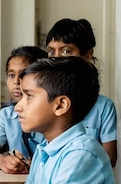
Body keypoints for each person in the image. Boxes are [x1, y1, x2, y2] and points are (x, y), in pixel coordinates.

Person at [45, 18, 117, 166]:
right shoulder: (44, 102)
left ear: (88, 55)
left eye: (66, 51)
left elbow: (109, 158)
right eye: (51, 52)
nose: (57, 58)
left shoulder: (103, 107)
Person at [0, 46, 48, 173]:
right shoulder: (7, 115)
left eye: (24, 74)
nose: (16, 81)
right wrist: (3, 161)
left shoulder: (50, 115)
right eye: (11, 75)